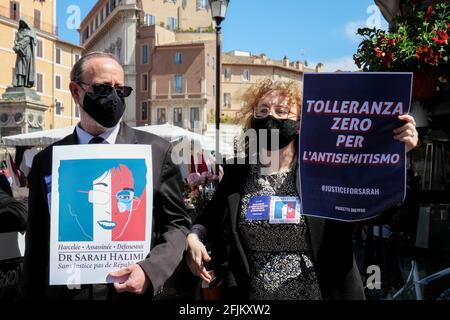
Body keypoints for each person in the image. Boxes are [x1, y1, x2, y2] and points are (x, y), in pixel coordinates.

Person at [186, 78, 418, 300]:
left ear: (299, 123)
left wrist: (396, 156)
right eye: (263, 110)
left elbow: (374, 209)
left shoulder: (324, 169)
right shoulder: (238, 173)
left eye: (282, 111)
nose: (271, 117)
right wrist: (194, 237)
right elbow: (209, 217)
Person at [22, 52, 191, 300]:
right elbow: (36, 242)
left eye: (120, 90)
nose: (113, 97)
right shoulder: (47, 161)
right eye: (103, 88)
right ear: (75, 91)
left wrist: (149, 271)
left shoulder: (156, 153)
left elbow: (177, 224)